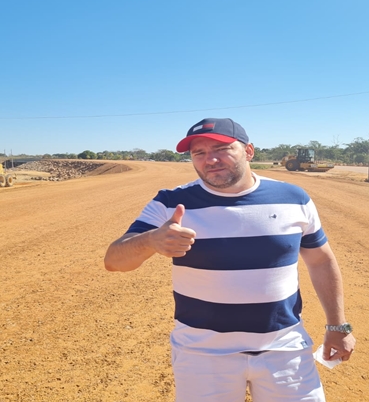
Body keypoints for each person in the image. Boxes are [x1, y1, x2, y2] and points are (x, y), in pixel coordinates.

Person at [104, 118, 355, 402]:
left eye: (221, 148)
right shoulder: (170, 202)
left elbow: (321, 261)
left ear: (248, 151)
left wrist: (338, 326)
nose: (210, 159)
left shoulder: (293, 198)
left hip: (285, 350)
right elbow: (114, 260)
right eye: (198, 153)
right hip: (202, 354)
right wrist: (150, 240)